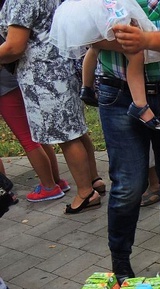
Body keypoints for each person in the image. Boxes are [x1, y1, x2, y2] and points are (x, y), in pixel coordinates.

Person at [93, 0, 160, 284]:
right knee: (128, 186)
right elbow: (85, 34)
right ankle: (120, 259)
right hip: (119, 96)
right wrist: (127, 43)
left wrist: (144, 40)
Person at [0, 0, 104, 215]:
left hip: (43, 75)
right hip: (62, 64)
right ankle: (94, 180)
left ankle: (85, 193)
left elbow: (14, 46)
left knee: (68, 137)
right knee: (77, 129)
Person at [50, 0, 160, 129]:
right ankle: (140, 104)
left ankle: (86, 87)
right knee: (135, 53)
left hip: (86, 12)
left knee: (95, 47)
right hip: (102, 9)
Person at [0, 66, 71, 202]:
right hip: (16, 78)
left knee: (27, 139)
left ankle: (49, 187)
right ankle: (55, 181)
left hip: (5, 87)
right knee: (35, 134)